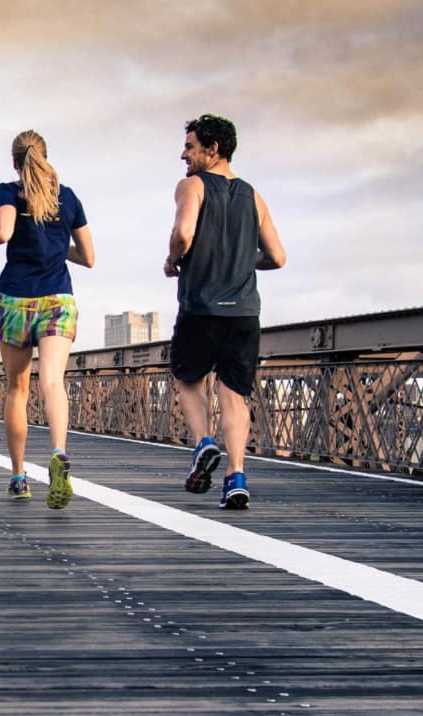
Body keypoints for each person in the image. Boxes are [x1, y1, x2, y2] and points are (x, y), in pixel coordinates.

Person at [163, 114, 286, 509]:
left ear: (211, 150)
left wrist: (172, 260)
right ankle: (236, 477)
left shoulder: (192, 186)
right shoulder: (254, 195)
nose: (183, 154)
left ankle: (203, 444)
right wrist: (241, 261)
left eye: (189, 147)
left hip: (201, 306)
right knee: (234, 397)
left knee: (188, 379)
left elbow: (183, 234)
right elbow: (278, 257)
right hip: (245, 312)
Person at [0, 130, 94, 507]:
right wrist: (57, 245)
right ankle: (58, 452)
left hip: (16, 299)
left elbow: (4, 231)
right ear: (45, 156)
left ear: (14, 162)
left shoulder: (8, 190)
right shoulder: (68, 197)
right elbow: (88, 257)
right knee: (53, 382)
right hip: (58, 297)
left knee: (17, 390)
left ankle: (19, 476)